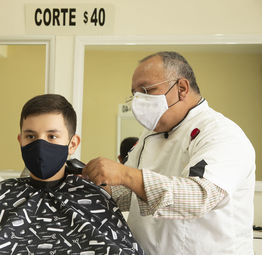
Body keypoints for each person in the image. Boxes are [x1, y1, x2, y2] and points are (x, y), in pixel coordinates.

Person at [82, 51, 256, 255]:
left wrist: (124, 174)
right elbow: (131, 192)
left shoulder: (221, 133)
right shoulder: (148, 136)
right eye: (134, 94)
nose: (138, 100)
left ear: (182, 88)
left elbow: (201, 196)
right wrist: (92, 185)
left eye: (147, 90)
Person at [0, 94, 145, 255]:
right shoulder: (0, 193)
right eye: (31, 136)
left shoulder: (93, 196)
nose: (40, 144)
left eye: (52, 136)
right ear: (20, 140)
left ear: (72, 144)